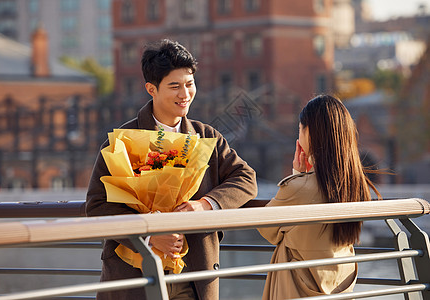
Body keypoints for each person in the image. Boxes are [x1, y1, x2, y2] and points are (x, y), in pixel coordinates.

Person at [86, 39, 257, 300]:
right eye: (174, 86)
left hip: (193, 275)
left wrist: (206, 204)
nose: (185, 94)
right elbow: (97, 206)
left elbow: (246, 178)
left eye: (189, 84)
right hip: (134, 276)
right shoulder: (123, 141)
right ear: (151, 89)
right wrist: (150, 235)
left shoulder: (205, 136)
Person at [257, 95, 381, 299]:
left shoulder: (298, 187)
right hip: (339, 283)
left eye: (300, 129)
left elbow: (267, 229)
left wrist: (298, 176)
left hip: (298, 287)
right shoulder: (355, 186)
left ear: (310, 133)